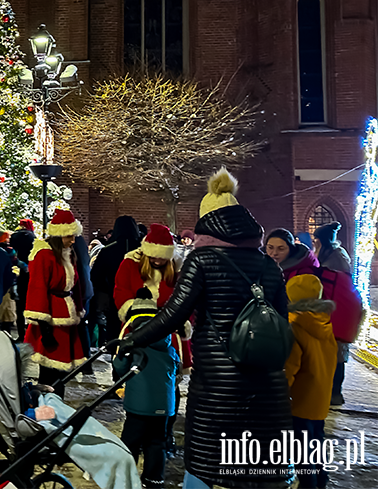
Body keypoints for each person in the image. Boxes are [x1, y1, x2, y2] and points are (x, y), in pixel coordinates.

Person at [117, 168, 293, 489]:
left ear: (207, 220)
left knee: (204, 465)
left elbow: (172, 316)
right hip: (266, 386)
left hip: (217, 386)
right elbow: (281, 321)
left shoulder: (201, 260)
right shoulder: (268, 264)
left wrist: (132, 340)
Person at [113, 288, 180, 489]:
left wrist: (121, 355)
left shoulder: (134, 345)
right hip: (163, 409)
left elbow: (120, 368)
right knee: (156, 444)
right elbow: (176, 372)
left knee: (130, 443)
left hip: (138, 408)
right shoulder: (169, 346)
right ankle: (153, 480)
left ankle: (126, 478)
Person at [23, 209, 87, 398]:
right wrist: (44, 326)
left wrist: (78, 309)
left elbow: (77, 285)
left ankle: (56, 405)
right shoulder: (44, 255)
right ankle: (47, 409)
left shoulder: (68, 253)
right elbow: (38, 288)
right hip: (51, 319)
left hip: (66, 317)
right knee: (49, 371)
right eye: (70, 236)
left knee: (61, 371)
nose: (73, 240)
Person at [283, 274, 336, 489]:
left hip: (300, 402)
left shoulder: (295, 328)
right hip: (320, 401)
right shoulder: (324, 324)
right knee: (315, 445)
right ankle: (321, 480)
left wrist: (279, 393)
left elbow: (290, 369)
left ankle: (309, 485)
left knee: (302, 453)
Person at [312, 221, 363, 406]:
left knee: (334, 357)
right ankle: (334, 393)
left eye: (315, 240)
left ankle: (333, 392)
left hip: (335, 314)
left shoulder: (330, 263)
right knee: (337, 356)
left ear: (320, 241)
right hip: (342, 313)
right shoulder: (338, 256)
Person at [90, 216, 142, 347]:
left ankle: (117, 360)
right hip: (141, 295)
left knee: (115, 331)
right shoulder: (142, 249)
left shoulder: (107, 250)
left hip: (114, 296)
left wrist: (106, 289)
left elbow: (96, 276)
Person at [9, 219, 35, 341]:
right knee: (31, 307)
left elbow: (12, 254)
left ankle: (21, 335)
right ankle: (31, 335)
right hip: (31, 277)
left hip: (18, 275)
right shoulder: (34, 239)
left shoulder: (14, 237)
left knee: (19, 308)